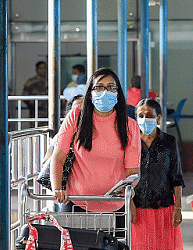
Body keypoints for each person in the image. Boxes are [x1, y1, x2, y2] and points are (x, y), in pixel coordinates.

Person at [51, 68, 140, 222]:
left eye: (111, 87)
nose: (105, 92)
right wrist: (58, 189)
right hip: (76, 203)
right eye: (99, 87)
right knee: (72, 246)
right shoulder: (76, 117)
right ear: (90, 94)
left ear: (118, 93)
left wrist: (127, 188)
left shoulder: (129, 126)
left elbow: (132, 170)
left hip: (115, 207)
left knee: (114, 246)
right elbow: (58, 157)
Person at [129, 99, 190, 250]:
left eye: (149, 115)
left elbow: (176, 176)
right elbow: (123, 177)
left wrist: (178, 207)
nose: (145, 119)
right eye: (141, 115)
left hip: (164, 207)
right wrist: (130, 205)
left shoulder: (168, 142)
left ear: (159, 118)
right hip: (137, 208)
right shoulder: (130, 142)